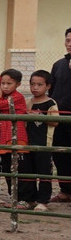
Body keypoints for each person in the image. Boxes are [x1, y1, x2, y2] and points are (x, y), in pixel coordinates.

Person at [0, 68, 30, 207]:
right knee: (7, 168)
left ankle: (24, 199)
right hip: (4, 138)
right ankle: (14, 197)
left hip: (16, 137)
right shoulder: (7, 97)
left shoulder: (17, 97)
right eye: (3, 83)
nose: (5, 86)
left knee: (19, 169)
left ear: (17, 84)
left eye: (9, 84)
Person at [21, 70, 59, 210]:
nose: (35, 88)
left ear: (48, 86)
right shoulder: (28, 102)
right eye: (32, 84)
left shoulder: (50, 103)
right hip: (27, 143)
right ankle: (28, 198)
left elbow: (55, 122)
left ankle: (43, 200)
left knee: (44, 172)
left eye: (39, 84)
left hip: (44, 144)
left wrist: (39, 115)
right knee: (27, 172)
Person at [49, 27, 71, 203]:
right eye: (68, 40)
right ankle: (66, 190)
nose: (70, 44)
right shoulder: (58, 65)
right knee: (60, 154)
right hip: (59, 118)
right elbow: (52, 91)